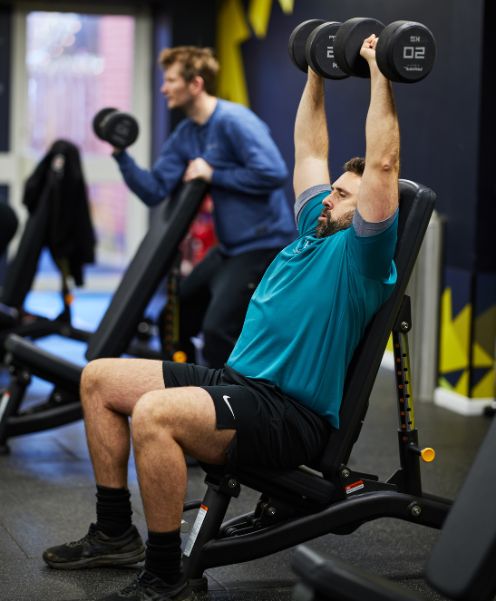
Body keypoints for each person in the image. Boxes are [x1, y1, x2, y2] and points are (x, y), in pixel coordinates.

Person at [42, 34, 400, 601]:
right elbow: (308, 149)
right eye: (331, 190)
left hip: (287, 412)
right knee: (99, 378)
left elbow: (382, 162)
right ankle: (114, 532)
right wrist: (316, 72)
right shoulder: (313, 228)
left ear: (371, 210)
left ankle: (166, 578)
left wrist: (381, 72)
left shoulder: (363, 256)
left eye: (344, 195)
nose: (329, 197)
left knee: (155, 415)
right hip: (238, 383)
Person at [111, 46, 295, 367]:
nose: (163, 88)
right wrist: (121, 154)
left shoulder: (234, 121)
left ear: (195, 84)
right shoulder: (187, 134)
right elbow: (154, 190)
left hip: (263, 246)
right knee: (173, 318)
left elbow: (274, 172)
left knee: (218, 329)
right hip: (229, 247)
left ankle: (230, 408)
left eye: (170, 80)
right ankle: (185, 392)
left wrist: (214, 174)